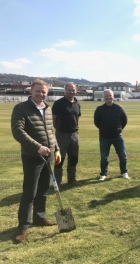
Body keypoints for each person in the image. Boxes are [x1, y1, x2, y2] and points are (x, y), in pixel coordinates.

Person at [11, 79, 62, 243]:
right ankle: (23, 227)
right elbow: (18, 132)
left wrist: (57, 148)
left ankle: (39, 218)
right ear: (31, 91)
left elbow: (51, 132)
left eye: (44, 91)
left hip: (48, 156)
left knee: (43, 190)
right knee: (29, 193)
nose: (41, 94)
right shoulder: (21, 108)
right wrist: (37, 147)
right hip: (32, 157)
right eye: (38, 91)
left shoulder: (47, 109)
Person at [94, 89, 129, 181]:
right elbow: (96, 122)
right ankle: (103, 174)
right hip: (104, 137)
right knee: (104, 157)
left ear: (113, 96)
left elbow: (124, 120)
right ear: (104, 97)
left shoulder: (119, 108)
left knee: (123, 155)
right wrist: (104, 129)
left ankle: (124, 172)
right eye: (106, 96)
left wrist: (119, 129)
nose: (108, 97)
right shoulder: (99, 109)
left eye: (110, 95)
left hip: (117, 136)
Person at [52, 82, 81, 186]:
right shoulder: (59, 103)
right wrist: (60, 130)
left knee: (74, 158)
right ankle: (57, 182)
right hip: (62, 135)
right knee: (59, 159)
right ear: (65, 90)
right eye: (69, 90)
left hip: (74, 135)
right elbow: (53, 120)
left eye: (73, 90)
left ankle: (72, 179)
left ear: (76, 91)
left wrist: (74, 132)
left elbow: (76, 118)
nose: (71, 92)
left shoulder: (77, 103)